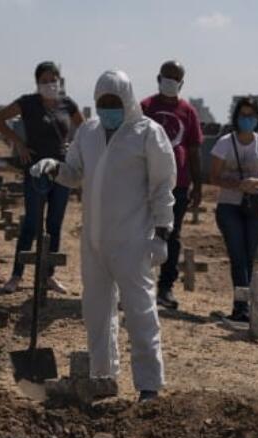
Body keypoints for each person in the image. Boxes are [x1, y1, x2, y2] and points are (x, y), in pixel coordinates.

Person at [31, 70, 176, 401]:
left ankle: (149, 385)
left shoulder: (147, 134)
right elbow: (74, 174)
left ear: (127, 101)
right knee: (96, 312)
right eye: (102, 103)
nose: (108, 108)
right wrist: (53, 168)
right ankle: (102, 376)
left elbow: (162, 186)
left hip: (133, 241)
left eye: (114, 102)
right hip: (94, 241)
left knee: (140, 313)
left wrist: (162, 232)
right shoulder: (90, 132)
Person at [0, 61, 84, 295]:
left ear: (59, 81)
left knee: (54, 223)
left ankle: (48, 276)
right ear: (37, 83)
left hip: (61, 170)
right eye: (44, 80)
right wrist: (19, 143)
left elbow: (85, 129)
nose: (49, 84)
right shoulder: (28, 103)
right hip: (35, 169)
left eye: (53, 80)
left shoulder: (67, 104)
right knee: (32, 223)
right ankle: (16, 275)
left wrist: (74, 147)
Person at [140, 60, 204, 311]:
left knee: (171, 235)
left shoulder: (188, 112)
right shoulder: (145, 107)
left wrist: (198, 185)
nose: (170, 80)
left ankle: (165, 287)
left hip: (178, 184)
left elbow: (195, 150)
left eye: (174, 77)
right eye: (166, 76)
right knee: (141, 231)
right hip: (145, 181)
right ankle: (139, 283)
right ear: (158, 78)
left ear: (181, 82)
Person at [209, 98, 258, 323]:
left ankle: (245, 304)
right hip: (230, 205)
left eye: (251, 116)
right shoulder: (225, 143)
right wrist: (238, 184)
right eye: (243, 115)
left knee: (248, 255)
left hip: (256, 205)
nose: (247, 120)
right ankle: (241, 307)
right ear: (236, 118)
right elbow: (214, 176)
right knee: (237, 255)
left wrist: (255, 182)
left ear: (257, 119)